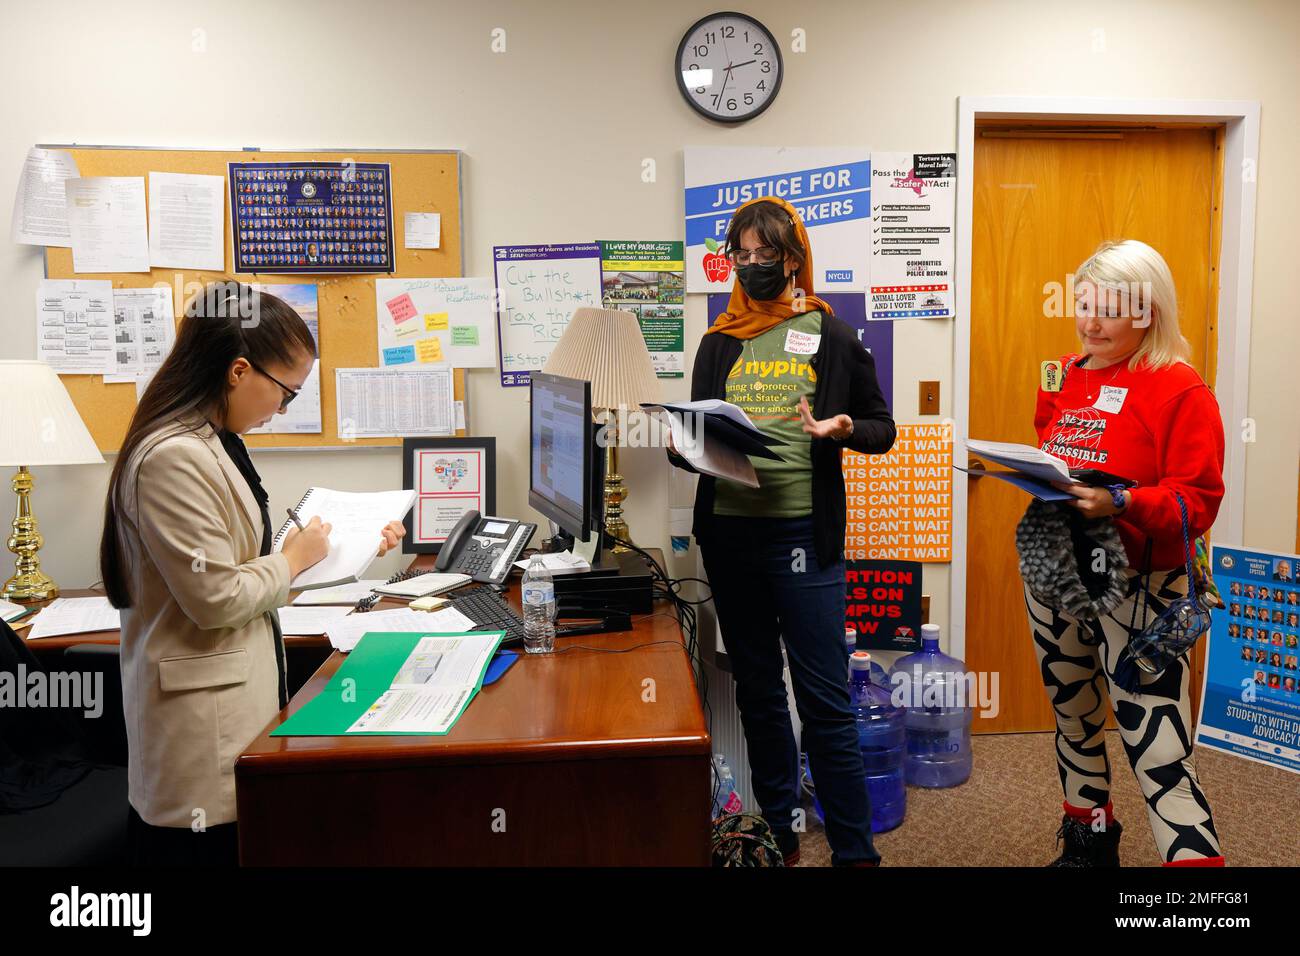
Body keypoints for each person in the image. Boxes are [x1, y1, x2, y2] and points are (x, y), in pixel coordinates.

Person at [99, 283, 403, 866]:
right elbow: (216, 597)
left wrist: (343, 546)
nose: (284, 410)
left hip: (237, 706)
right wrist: (294, 558)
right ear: (240, 370)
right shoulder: (173, 456)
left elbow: (236, 563)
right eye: (286, 393)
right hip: (197, 741)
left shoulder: (213, 440)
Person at [667, 196, 895, 866]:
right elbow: (693, 433)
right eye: (742, 253)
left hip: (802, 535)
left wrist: (844, 428)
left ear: (795, 258)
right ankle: (778, 837)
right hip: (731, 536)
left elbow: (882, 427)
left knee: (824, 700)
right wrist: (682, 444)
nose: (754, 264)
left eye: (768, 253)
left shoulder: (833, 333)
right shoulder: (719, 339)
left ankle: (856, 853)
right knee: (760, 691)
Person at [1022, 240, 1224, 866]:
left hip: (1142, 587)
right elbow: (1051, 443)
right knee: (1073, 714)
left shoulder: (1177, 388)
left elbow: (1199, 500)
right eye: (1083, 305)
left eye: (1108, 310)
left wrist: (1124, 503)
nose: (1089, 322)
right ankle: (1089, 843)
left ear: (1149, 312)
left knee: (1156, 741)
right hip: (1057, 571)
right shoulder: (1065, 371)